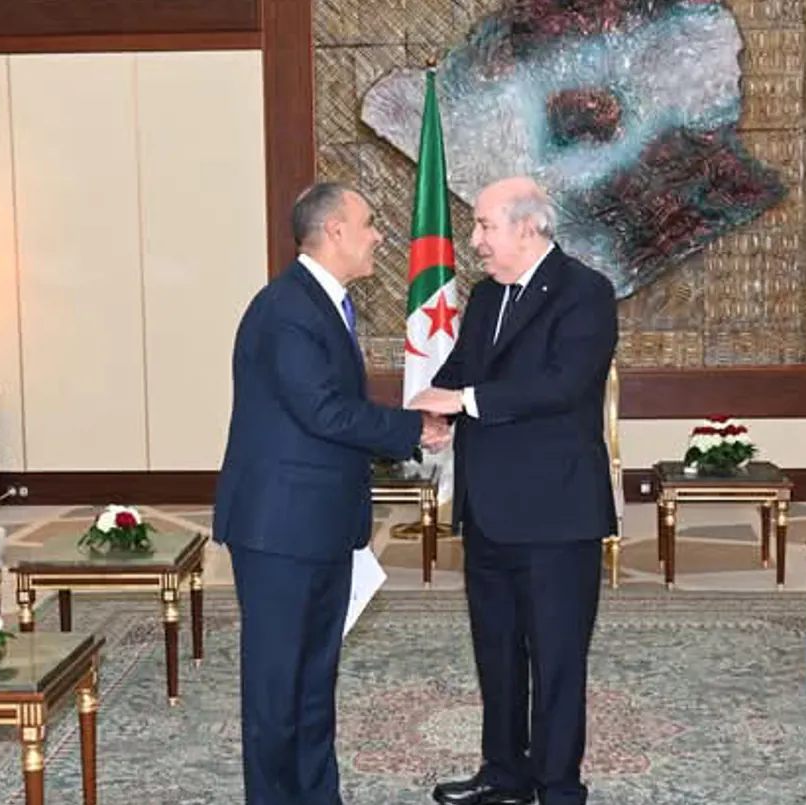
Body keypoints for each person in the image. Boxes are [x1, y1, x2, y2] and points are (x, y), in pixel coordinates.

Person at [213, 181, 450, 805]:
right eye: (369, 223)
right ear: (335, 231)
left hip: (316, 523)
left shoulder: (322, 303)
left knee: (313, 683)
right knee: (278, 689)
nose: (378, 236)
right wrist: (412, 428)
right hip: (280, 530)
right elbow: (322, 411)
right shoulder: (286, 308)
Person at [409, 176, 619, 805]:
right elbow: (459, 372)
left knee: (556, 660)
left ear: (527, 227)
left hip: (556, 513)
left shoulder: (585, 292)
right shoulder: (483, 296)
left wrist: (465, 401)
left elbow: (564, 385)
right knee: (497, 654)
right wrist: (429, 413)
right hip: (488, 511)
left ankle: (557, 786)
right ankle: (504, 773)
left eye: (484, 226)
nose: (474, 240)